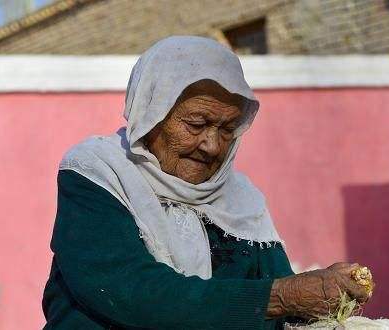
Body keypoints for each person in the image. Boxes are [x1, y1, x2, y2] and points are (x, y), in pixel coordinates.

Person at [42, 36, 370, 329]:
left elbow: (280, 293)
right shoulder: (99, 172)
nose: (212, 144)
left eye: (227, 129)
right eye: (196, 123)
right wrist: (282, 297)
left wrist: (327, 293)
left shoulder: (241, 200)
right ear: (150, 112)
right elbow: (130, 292)